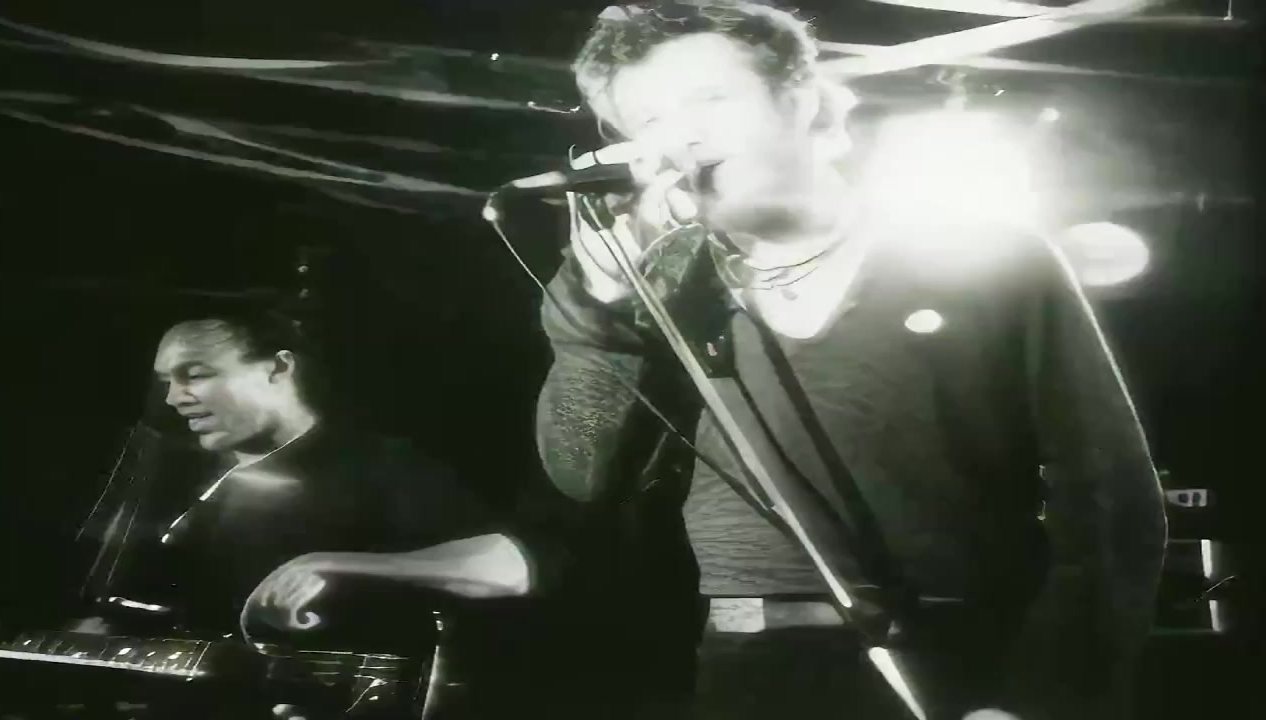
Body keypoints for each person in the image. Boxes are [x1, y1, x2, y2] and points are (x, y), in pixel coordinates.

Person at [257, 2, 1168, 719]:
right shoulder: (657, 285)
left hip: (970, 654)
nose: (678, 136)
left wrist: (1048, 695)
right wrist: (600, 317)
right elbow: (579, 476)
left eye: (708, 100)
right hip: (748, 665)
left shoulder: (989, 255)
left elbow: (1113, 504)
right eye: (648, 118)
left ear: (801, 100)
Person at [63, 309, 493, 718]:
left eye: (196, 374)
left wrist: (330, 563)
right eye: (166, 382)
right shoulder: (182, 477)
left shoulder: (378, 463)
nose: (174, 398)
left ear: (278, 368)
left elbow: (503, 568)